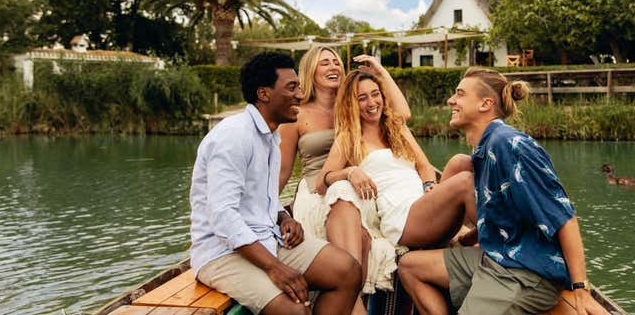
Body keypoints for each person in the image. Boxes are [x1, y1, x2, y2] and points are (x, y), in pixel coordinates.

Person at [397, 67, 609, 315]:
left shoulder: (510, 144)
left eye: (460, 94)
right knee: (409, 266)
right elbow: (502, 211)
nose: (451, 100)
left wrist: (581, 289)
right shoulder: (484, 148)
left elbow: (564, 217)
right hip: (495, 257)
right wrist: (467, 239)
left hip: (524, 273)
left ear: (485, 104)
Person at [189, 52, 362, 315]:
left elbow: (260, 198)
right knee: (295, 311)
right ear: (264, 94)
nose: (300, 95)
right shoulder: (234, 136)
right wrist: (274, 267)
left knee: (347, 271)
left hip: (267, 238)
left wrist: (283, 217)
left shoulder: (270, 137)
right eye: (291, 88)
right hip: (222, 253)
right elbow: (223, 216)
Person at [278, 48, 411, 308]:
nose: (333, 67)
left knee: (358, 230)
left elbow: (402, 115)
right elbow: (282, 172)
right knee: (344, 198)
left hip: (358, 189)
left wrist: (381, 72)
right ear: (310, 71)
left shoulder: (354, 105)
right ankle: (353, 300)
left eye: (336, 62)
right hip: (317, 192)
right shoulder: (296, 114)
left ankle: (349, 299)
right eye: (324, 63)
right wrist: (269, 210)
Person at [318, 70, 478, 253]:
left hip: (423, 202)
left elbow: (424, 166)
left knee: (462, 162)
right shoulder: (348, 138)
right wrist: (350, 172)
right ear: (351, 104)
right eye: (362, 98)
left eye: (375, 94)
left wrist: (429, 185)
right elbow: (321, 183)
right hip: (402, 217)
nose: (372, 103)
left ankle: (470, 238)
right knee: (465, 181)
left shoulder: (397, 127)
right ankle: (496, 241)